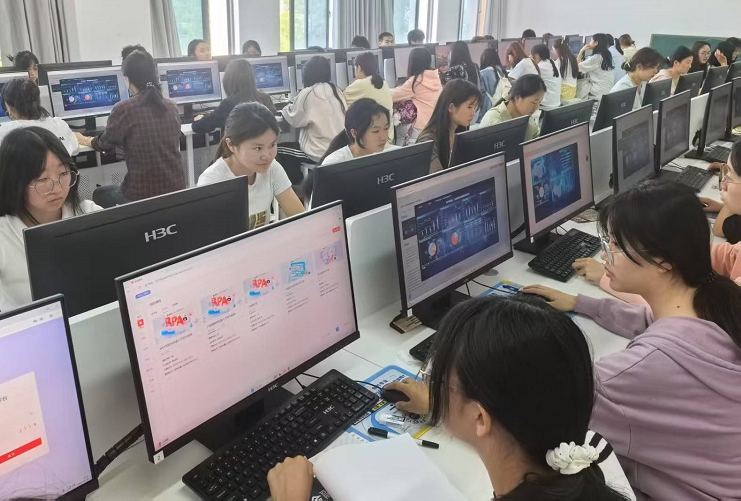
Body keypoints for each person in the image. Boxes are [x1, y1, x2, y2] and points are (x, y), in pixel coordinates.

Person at [267, 295, 631, 501]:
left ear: (480, 418)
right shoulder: (588, 458)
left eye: (440, 382)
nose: (433, 388)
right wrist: (444, 405)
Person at [524, 181, 741, 501]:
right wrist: (582, 304)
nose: (605, 254)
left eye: (614, 245)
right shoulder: (717, 302)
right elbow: (654, 322)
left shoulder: (633, 374)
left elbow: (547, 411)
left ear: (663, 262)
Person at [0, 127, 101, 326]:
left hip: (93, 325)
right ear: (15, 182)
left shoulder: (89, 213)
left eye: (63, 173)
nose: (57, 187)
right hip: (34, 335)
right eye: (42, 179)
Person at [78, 50, 185, 207]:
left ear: (127, 79)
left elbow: (104, 144)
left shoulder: (124, 108)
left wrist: (84, 139)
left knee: (99, 194)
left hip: (140, 195)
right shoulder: (171, 106)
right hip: (177, 191)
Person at [198, 102, 304, 228]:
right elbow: (208, 235)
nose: (267, 156)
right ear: (231, 145)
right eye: (258, 148)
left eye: (272, 145)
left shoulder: (272, 168)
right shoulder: (212, 181)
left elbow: (301, 219)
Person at [0, 77, 79, 175]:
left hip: (28, 195)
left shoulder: (5, 133)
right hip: (61, 191)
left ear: (9, 107)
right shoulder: (60, 124)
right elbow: (75, 150)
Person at [280, 56, 346, 163]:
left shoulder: (308, 93)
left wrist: (285, 109)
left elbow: (294, 120)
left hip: (318, 154)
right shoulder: (337, 90)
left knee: (278, 149)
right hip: (338, 152)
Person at [191, 59, 277, 134]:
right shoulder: (265, 98)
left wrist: (199, 119)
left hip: (238, 148)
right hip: (263, 146)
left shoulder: (229, 104)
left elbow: (198, 127)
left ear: (228, 80)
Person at [417, 79, 480, 173]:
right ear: (451, 108)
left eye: (475, 107)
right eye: (469, 107)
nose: (473, 113)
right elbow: (438, 177)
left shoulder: (459, 132)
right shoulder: (428, 140)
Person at [320, 99, 397, 166]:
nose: (383, 137)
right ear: (354, 133)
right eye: (376, 131)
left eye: (386, 128)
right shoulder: (335, 163)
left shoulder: (394, 154)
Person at [391, 47, 441, 145]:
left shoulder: (416, 81)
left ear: (412, 63)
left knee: (398, 126)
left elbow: (392, 96)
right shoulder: (435, 76)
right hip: (436, 124)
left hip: (421, 128)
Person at [342, 52, 394, 141]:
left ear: (359, 68)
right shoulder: (383, 83)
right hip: (388, 137)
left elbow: (341, 101)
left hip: (373, 141)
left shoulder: (358, 85)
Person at [480, 74, 545, 141]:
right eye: (534, 102)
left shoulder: (528, 120)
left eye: (539, 102)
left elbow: (538, 139)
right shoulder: (494, 121)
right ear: (517, 97)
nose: (537, 108)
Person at [576, 33, 615, 102]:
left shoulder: (596, 58)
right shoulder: (607, 54)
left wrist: (581, 51)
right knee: (585, 81)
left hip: (599, 91)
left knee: (579, 84)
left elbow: (576, 66)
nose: (589, 43)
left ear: (596, 43)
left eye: (591, 41)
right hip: (608, 88)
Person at [530, 44, 561, 110]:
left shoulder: (540, 66)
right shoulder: (553, 63)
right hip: (556, 103)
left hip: (546, 105)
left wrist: (530, 61)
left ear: (537, 56)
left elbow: (527, 77)